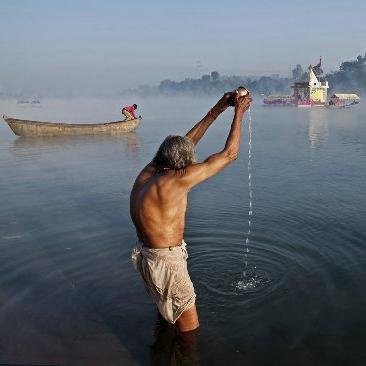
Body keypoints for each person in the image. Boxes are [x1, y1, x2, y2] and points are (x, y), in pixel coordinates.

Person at [130, 89, 251, 333]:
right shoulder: (174, 181)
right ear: (180, 166)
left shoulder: (147, 175)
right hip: (167, 263)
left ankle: (161, 353)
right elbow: (229, 155)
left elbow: (186, 143)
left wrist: (217, 109)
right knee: (189, 330)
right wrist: (239, 112)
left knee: (166, 320)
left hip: (147, 258)